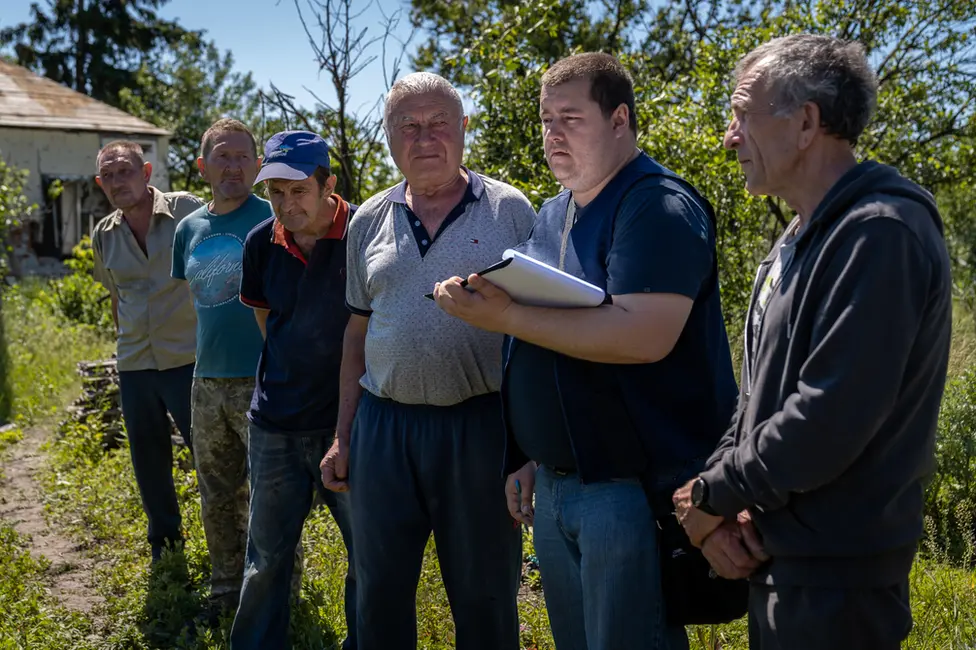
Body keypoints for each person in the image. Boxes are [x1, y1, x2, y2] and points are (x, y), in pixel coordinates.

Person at [432, 53, 737, 650]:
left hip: (627, 488)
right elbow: (540, 342)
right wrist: (524, 453)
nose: (552, 134)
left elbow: (642, 337)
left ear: (619, 118)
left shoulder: (656, 205)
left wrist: (504, 314)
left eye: (570, 118)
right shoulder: (554, 212)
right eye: (546, 120)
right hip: (555, 483)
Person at [672, 34, 953, 650]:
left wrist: (711, 497)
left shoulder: (880, 233)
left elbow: (829, 414)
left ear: (805, 123)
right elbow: (755, 403)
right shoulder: (796, 240)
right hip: (780, 562)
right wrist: (712, 508)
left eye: (744, 115)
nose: (729, 136)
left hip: (839, 581)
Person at [319, 72, 536, 650]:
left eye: (439, 123)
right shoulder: (368, 218)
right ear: (389, 137)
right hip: (385, 429)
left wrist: (529, 448)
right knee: (379, 591)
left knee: (485, 594)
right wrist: (344, 435)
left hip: (481, 427)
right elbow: (355, 337)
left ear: (464, 129)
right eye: (408, 126)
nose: (425, 138)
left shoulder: (509, 210)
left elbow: (541, 337)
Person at [231, 130, 357, 650]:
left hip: (348, 424)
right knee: (265, 560)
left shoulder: (365, 235)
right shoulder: (261, 242)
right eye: (275, 193)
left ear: (328, 183)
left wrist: (347, 422)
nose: (286, 204)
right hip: (275, 424)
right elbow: (267, 318)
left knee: (367, 554)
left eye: (298, 190)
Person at [171, 118, 271, 622]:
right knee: (216, 495)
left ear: (258, 163)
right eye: (222, 157)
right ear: (202, 166)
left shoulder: (274, 220)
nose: (233, 166)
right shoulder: (188, 229)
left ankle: (275, 597)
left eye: (241, 156)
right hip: (205, 382)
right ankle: (224, 593)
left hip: (264, 382)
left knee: (269, 500)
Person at [91, 140, 203, 563]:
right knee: (148, 457)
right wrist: (126, 347)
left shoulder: (186, 211)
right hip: (135, 363)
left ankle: (231, 540)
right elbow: (118, 297)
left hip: (188, 358)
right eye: (110, 175)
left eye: (126, 171)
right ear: (101, 184)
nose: (119, 181)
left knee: (209, 454)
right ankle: (166, 546)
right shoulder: (104, 234)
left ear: (147, 172)